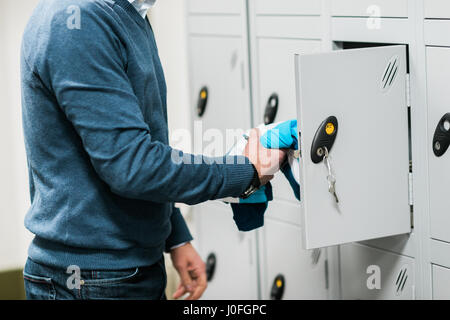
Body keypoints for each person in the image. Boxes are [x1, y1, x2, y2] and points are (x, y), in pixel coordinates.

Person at [20, 0, 286, 300]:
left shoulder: (125, 12)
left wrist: (175, 235)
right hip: (92, 281)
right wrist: (246, 171)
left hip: (118, 271)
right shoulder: (82, 22)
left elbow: (134, 143)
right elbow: (132, 165)